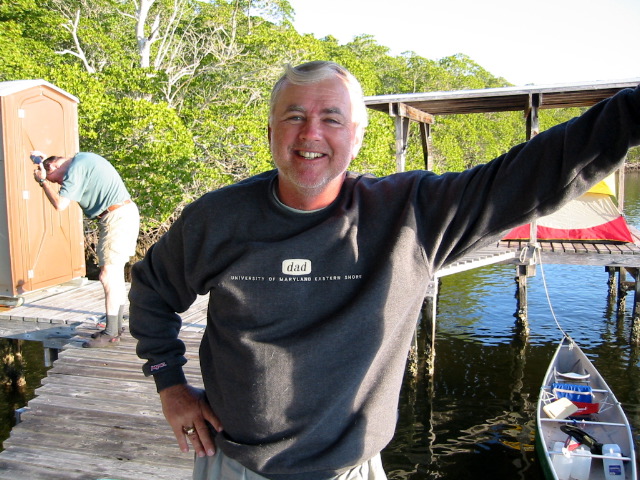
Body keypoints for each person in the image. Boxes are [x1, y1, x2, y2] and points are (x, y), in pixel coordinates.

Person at [128, 60, 640, 480]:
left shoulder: (412, 214)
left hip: (350, 470)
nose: (311, 133)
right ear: (270, 130)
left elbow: (534, 173)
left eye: (331, 118)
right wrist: (169, 383)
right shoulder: (217, 218)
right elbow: (151, 289)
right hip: (233, 464)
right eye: (293, 117)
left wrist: (631, 111)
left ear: (357, 135)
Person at [33, 151, 140, 348]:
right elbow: (51, 162)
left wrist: (43, 183)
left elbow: (60, 205)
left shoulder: (74, 169)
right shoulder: (82, 159)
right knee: (114, 275)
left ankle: (110, 333)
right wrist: (41, 161)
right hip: (123, 214)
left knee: (108, 276)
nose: (59, 184)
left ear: (54, 168)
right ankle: (115, 328)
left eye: (54, 179)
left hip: (116, 218)